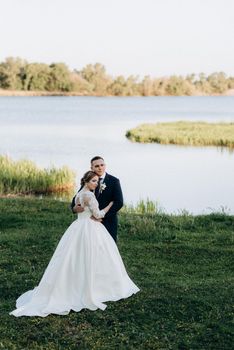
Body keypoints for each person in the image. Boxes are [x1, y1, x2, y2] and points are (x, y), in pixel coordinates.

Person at [9, 171, 140, 317]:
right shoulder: (89, 195)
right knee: (95, 255)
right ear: (86, 181)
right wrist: (109, 205)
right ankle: (96, 288)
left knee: (73, 256)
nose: (96, 184)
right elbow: (98, 215)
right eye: (94, 181)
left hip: (78, 226)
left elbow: (80, 210)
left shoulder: (79, 194)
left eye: (97, 181)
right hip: (90, 228)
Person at [71, 156, 123, 243]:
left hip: (107, 222)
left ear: (105, 165)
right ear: (92, 168)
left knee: (107, 248)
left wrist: (102, 217)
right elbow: (78, 196)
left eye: (102, 165)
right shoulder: (88, 180)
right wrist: (74, 208)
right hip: (89, 223)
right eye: (97, 166)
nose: (100, 168)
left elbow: (119, 202)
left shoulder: (114, 181)